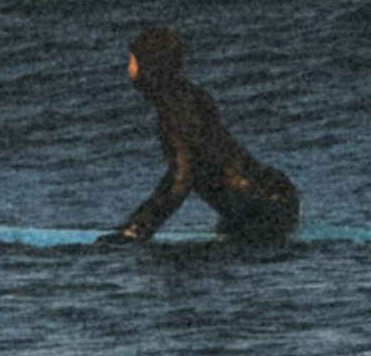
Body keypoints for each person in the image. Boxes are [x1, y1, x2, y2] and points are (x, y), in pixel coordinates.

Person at [108, 25, 300, 249]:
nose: (128, 68)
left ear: (148, 65)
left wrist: (134, 231)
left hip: (264, 208)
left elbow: (181, 179)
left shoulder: (176, 108)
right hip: (271, 198)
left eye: (131, 60)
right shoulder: (185, 96)